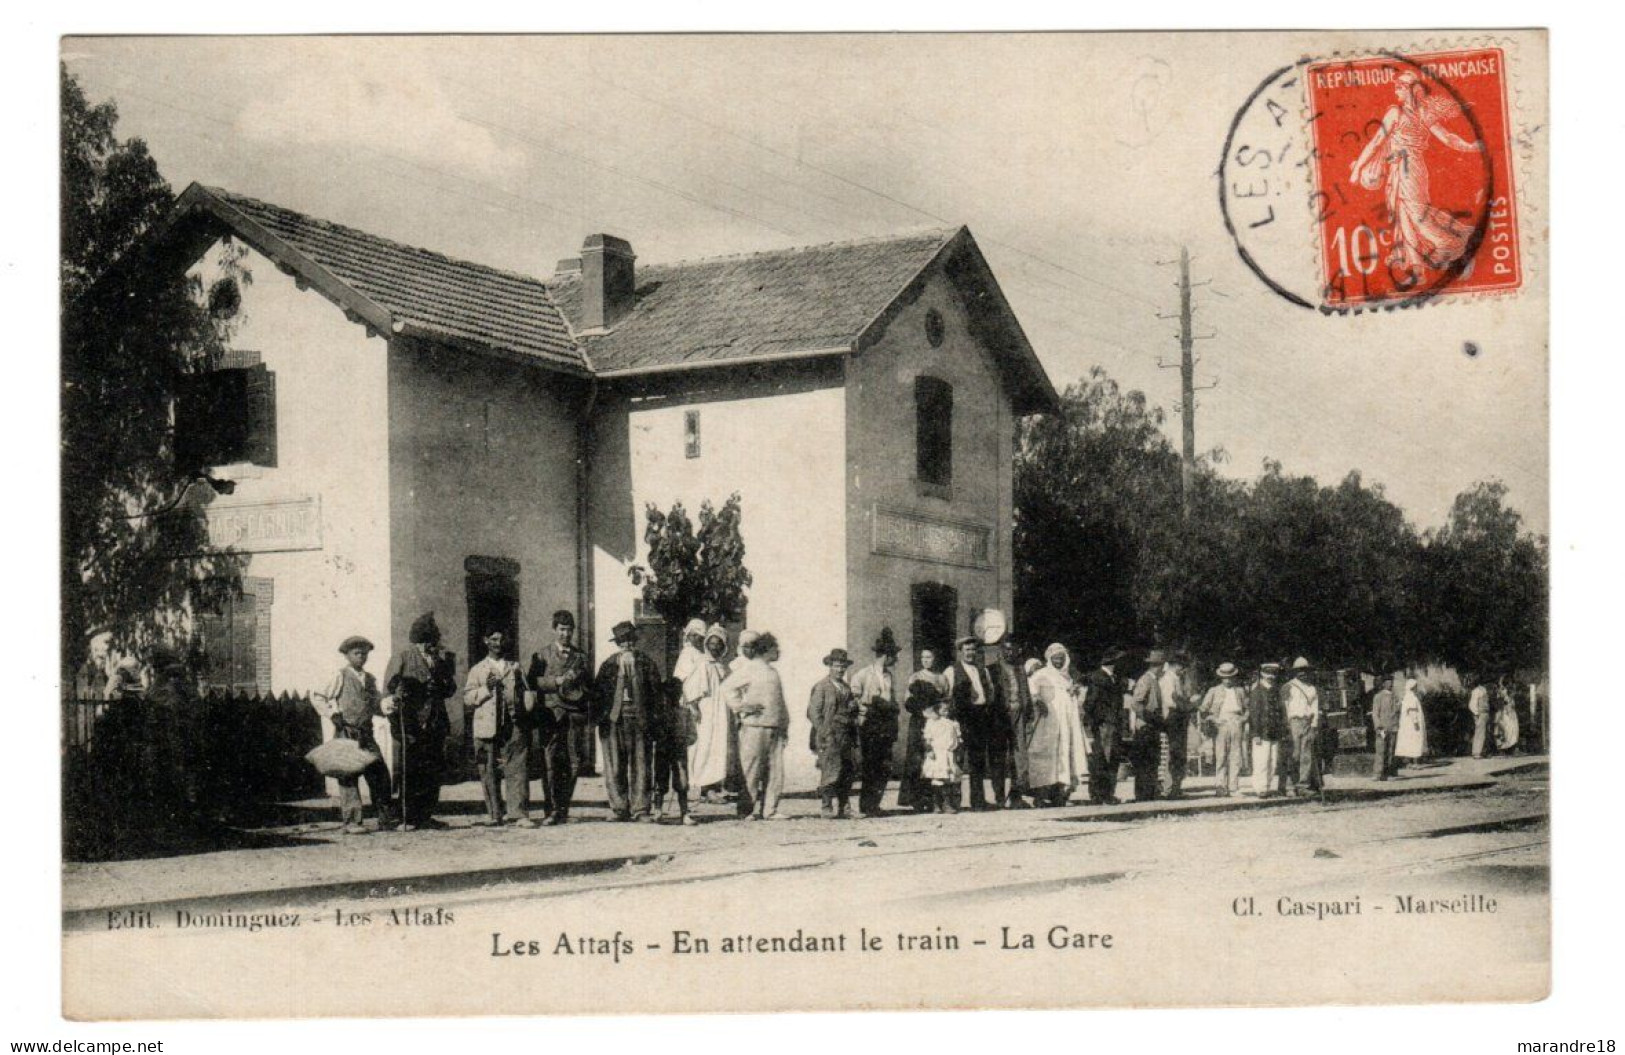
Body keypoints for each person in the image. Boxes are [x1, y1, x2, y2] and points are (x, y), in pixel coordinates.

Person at [1348, 69, 1484, 277]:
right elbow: (1447, 137)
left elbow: (1377, 142)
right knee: (1407, 209)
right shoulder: (1415, 114)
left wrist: (1357, 168)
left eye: (1400, 88)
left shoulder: (1406, 113)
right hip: (1407, 168)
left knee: (1413, 210)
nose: (1396, 93)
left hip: (1408, 168)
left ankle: (1446, 242)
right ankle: (1414, 256)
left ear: (1411, 91)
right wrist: (1470, 146)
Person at [314, 636, 398, 834]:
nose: (361, 657)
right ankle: (352, 822)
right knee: (348, 778)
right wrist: (332, 714)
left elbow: (377, 705)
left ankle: (385, 819)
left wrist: (389, 705)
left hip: (366, 734)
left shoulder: (369, 679)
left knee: (379, 775)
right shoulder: (340, 675)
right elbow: (318, 697)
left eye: (364, 653)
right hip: (347, 732)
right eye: (356, 653)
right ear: (347, 655)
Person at [382, 613, 455, 830]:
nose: (437, 643)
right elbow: (389, 688)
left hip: (435, 723)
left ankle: (426, 814)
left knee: (433, 771)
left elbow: (450, 689)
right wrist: (400, 697)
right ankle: (408, 817)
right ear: (425, 639)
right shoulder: (403, 657)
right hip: (411, 723)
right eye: (434, 639)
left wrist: (443, 680)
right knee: (411, 769)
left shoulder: (440, 661)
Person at [592, 620, 663, 822]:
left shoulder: (647, 663)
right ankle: (619, 808)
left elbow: (657, 695)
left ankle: (640, 809)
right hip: (613, 720)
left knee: (641, 764)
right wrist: (601, 719)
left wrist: (654, 722)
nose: (627, 645)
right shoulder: (608, 665)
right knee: (614, 765)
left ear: (635, 641)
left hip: (640, 720)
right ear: (617, 644)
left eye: (630, 640)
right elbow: (598, 694)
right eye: (622, 642)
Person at [465, 629, 535, 827]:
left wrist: (525, 710)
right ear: (486, 641)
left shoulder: (515, 668)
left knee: (517, 767)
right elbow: (468, 698)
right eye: (494, 639)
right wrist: (486, 689)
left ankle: (519, 814)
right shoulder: (477, 670)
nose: (499, 643)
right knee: (488, 768)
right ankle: (495, 814)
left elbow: (527, 692)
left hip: (513, 724)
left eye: (503, 638)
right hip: (487, 726)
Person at [527, 610, 591, 825]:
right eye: (562, 629)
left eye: (569, 629)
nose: (566, 634)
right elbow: (532, 682)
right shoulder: (542, 654)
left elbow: (590, 686)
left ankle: (563, 808)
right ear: (554, 630)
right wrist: (556, 681)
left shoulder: (581, 657)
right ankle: (551, 809)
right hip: (551, 715)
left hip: (574, 715)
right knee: (551, 761)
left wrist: (579, 689)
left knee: (574, 763)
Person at [721, 630, 789, 820]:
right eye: (776, 648)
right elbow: (727, 687)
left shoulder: (773, 672)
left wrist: (785, 725)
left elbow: (780, 702)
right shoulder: (749, 668)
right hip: (754, 728)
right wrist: (742, 707)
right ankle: (746, 810)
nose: (779, 652)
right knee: (751, 770)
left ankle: (770, 809)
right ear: (766, 650)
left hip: (774, 728)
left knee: (775, 771)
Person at [946, 636, 1006, 810]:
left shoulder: (983, 671)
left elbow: (991, 694)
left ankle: (978, 801)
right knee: (957, 759)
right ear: (961, 652)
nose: (970, 653)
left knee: (977, 760)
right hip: (961, 718)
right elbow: (947, 696)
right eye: (967, 650)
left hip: (980, 718)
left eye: (973, 650)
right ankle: (953, 801)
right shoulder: (952, 671)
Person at [651, 624, 701, 826]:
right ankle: (658, 811)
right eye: (669, 695)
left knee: (682, 783)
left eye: (675, 695)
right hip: (663, 750)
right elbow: (654, 732)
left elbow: (692, 735)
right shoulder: (660, 714)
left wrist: (684, 740)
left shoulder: (685, 713)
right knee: (660, 780)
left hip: (679, 752)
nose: (672, 698)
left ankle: (684, 812)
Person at [1026, 643, 1087, 806]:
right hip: (1048, 723)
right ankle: (1041, 795)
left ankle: (1060, 793)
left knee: (1065, 755)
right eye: (1055, 658)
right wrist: (1038, 700)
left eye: (1061, 658)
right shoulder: (1042, 674)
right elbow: (1031, 688)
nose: (1058, 662)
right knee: (1047, 758)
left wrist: (1076, 692)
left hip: (1066, 724)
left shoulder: (1067, 677)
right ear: (1049, 659)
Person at [849, 628, 901, 818]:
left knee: (885, 766)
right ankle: (866, 805)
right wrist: (864, 711)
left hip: (886, 724)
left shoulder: (889, 676)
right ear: (886, 656)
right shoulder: (863, 675)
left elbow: (892, 698)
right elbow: (854, 698)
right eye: (893, 656)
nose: (895, 660)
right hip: (870, 725)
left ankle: (875, 804)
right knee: (871, 765)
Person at [686, 624, 736, 804]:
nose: (715, 647)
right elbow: (690, 690)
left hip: (722, 713)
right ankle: (702, 787)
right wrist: (694, 708)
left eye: (719, 644)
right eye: (712, 643)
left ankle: (715, 786)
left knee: (720, 749)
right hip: (707, 713)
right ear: (707, 644)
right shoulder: (702, 665)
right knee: (705, 748)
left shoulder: (724, 667)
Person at [807, 647, 859, 819]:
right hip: (829, 734)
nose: (840, 669)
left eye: (843, 666)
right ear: (829, 666)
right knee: (830, 770)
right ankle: (826, 806)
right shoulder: (821, 687)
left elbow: (852, 708)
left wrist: (854, 708)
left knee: (846, 770)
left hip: (846, 734)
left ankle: (844, 807)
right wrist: (824, 732)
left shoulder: (846, 687)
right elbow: (813, 713)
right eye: (836, 666)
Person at [988, 637, 1036, 808]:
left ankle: (1016, 796)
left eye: (1012, 649)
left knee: (1019, 757)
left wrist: (1028, 712)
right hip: (1000, 718)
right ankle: (999, 797)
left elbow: (1026, 692)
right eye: (1005, 649)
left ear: (1018, 650)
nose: (1009, 652)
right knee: (999, 757)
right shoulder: (992, 669)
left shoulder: (1020, 668)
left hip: (1019, 716)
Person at [900, 650, 947, 812]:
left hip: (936, 721)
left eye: (929, 657)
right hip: (919, 721)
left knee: (936, 758)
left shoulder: (942, 678)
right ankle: (917, 799)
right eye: (923, 657)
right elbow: (908, 701)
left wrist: (938, 713)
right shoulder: (915, 677)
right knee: (917, 759)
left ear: (935, 659)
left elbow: (946, 699)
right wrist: (922, 711)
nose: (926, 660)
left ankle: (935, 800)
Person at [1080, 649, 1124, 805]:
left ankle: (1108, 793)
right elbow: (1090, 703)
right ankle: (1099, 795)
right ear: (1112, 663)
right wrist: (1095, 723)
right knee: (1102, 760)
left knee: (1112, 759)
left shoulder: (1113, 678)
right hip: (1104, 725)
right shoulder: (1098, 678)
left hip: (1113, 724)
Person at [1200, 662, 1249, 796]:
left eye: (1230, 677)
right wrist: (1214, 719)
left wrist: (1242, 719)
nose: (1228, 680)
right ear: (1221, 677)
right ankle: (1220, 787)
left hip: (1236, 723)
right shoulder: (1213, 691)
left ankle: (1233, 788)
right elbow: (1203, 709)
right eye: (1225, 677)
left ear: (1234, 677)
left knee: (1235, 756)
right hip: (1221, 724)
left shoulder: (1240, 691)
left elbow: (1247, 709)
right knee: (1221, 756)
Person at [1128, 649, 1168, 802]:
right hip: (1146, 725)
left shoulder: (1154, 680)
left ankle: (1150, 792)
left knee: (1153, 760)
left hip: (1153, 725)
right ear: (1159, 666)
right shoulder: (1146, 679)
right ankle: (1143, 794)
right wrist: (1149, 718)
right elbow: (1136, 703)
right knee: (1145, 761)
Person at [1247, 662, 1287, 797]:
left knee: (1272, 761)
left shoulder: (1276, 691)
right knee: (1261, 761)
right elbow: (1254, 714)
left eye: (1273, 674)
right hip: (1262, 732)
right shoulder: (1257, 691)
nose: (1271, 676)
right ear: (1262, 674)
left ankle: (1268, 786)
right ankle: (1260, 788)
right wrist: (1255, 733)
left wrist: (1281, 730)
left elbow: (1280, 712)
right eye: (1268, 673)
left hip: (1274, 732)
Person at [1282, 657, 1322, 795]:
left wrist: (1314, 724)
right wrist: (1287, 725)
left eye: (1305, 670)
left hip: (1308, 722)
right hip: (1293, 722)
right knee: (1294, 754)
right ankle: (1289, 785)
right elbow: (1285, 707)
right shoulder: (1288, 687)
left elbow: (1315, 707)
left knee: (1307, 755)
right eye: (1299, 671)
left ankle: (1303, 785)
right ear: (1295, 672)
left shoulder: (1312, 688)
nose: (1302, 673)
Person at [1157, 653, 1195, 798]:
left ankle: (1176, 787)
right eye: (1183, 667)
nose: (1184, 670)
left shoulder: (1177, 679)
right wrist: (1189, 705)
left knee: (1179, 754)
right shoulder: (1168, 680)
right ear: (1176, 665)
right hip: (1172, 718)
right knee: (1172, 753)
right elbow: (1171, 701)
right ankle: (1169, 788)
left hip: (1179, 718)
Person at [921, 695, 963, 815]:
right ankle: (936, 804)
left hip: (949, 754)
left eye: (948, 710)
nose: (946, 712)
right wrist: (929, 750)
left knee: (949, 780)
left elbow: (958, 740)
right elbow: (928, 739)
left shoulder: (953, 723)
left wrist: (958, 752)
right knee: (937, 779)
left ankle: (947, 804)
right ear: (937, 710)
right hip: (937, 755)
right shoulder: (932, 723)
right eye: (944, 710)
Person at [1371, 675, 1399, 780]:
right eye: (1387, 682)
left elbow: (1397, 711)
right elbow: (1375, 713)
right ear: (1383, 684)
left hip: (1393, 727)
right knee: (1380, 750)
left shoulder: (1395, 697)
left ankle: (1390, 773)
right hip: (1382, 728)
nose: (1390, 684)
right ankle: (1378, 773)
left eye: (1391, 682)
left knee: (1391, 751)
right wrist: (1378, 726)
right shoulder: (1378, 697)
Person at [1395, 677, 1428, 766]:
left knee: (1408, 741)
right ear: (1412, 687)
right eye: (1415, 686)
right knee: (1415, 740)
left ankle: (1408, 762)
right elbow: (1412, 710)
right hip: (1412, 724)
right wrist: (1415, 722)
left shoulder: (1406, 696)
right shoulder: (1411, 697)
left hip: (1407, 724)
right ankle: (1415, 762)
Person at [1494, 674, 1521, 754]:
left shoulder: (1507, 691)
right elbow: (1501, 701)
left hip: (1510, 711)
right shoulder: (1502, 690)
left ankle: (1511, 747)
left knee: (1513, 729)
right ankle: (1504, 747)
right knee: (1506, 729)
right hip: (1505, 712)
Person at [1467, 675, 1491, 758]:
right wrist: (1476, 714)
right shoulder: (1476, 691)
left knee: (1485, 733)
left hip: (1485, 713)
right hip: (1480, 714)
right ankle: (1476, 752)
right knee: (1479, 733)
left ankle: (1483, 751)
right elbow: (1472, 705)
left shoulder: (1484, 690)